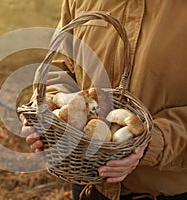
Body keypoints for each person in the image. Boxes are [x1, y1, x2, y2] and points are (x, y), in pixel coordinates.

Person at [21, 0, 187, 199]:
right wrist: (45, 112)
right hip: (89, 185)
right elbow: (61, 68)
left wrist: (150, 143)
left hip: (165, 189)